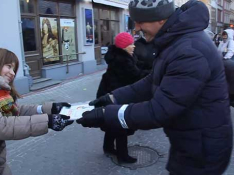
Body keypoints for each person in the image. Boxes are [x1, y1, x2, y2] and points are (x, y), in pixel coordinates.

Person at [77, 0, 233, 174]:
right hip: (191, 140)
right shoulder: (176, 40)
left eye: (140, 21)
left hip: (203, 148)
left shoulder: (189, 51)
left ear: (160, 19)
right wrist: (112, 98)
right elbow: (151, 81)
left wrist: (106, 115)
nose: (136, 28)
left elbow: (160, 110)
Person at [0, 48, 73, 175]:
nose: (13, 73)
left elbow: (16, 112)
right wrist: (48, 121)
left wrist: (48, 109)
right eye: (9, 67)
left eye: (14, 69)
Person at [97, 32, 149, 164]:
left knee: (112, 122)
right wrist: (154, 72)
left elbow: (136, 65)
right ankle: (122, 155)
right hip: (117, 96)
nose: (134, 46)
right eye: (130, 44)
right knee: (121, 124)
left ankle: (108, 147)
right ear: (124, 46)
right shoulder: (122, 60)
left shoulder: (120, 56)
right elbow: (136, 75)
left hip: (111, 94)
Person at [218, 30, 234, 107]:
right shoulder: (222, 42)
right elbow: (218, 51)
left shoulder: (231, 42)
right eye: (223, 34)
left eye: (225, 34)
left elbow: (231, 51)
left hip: (229, 63)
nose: (224, 36)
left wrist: (225, 58)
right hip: (222, 63)